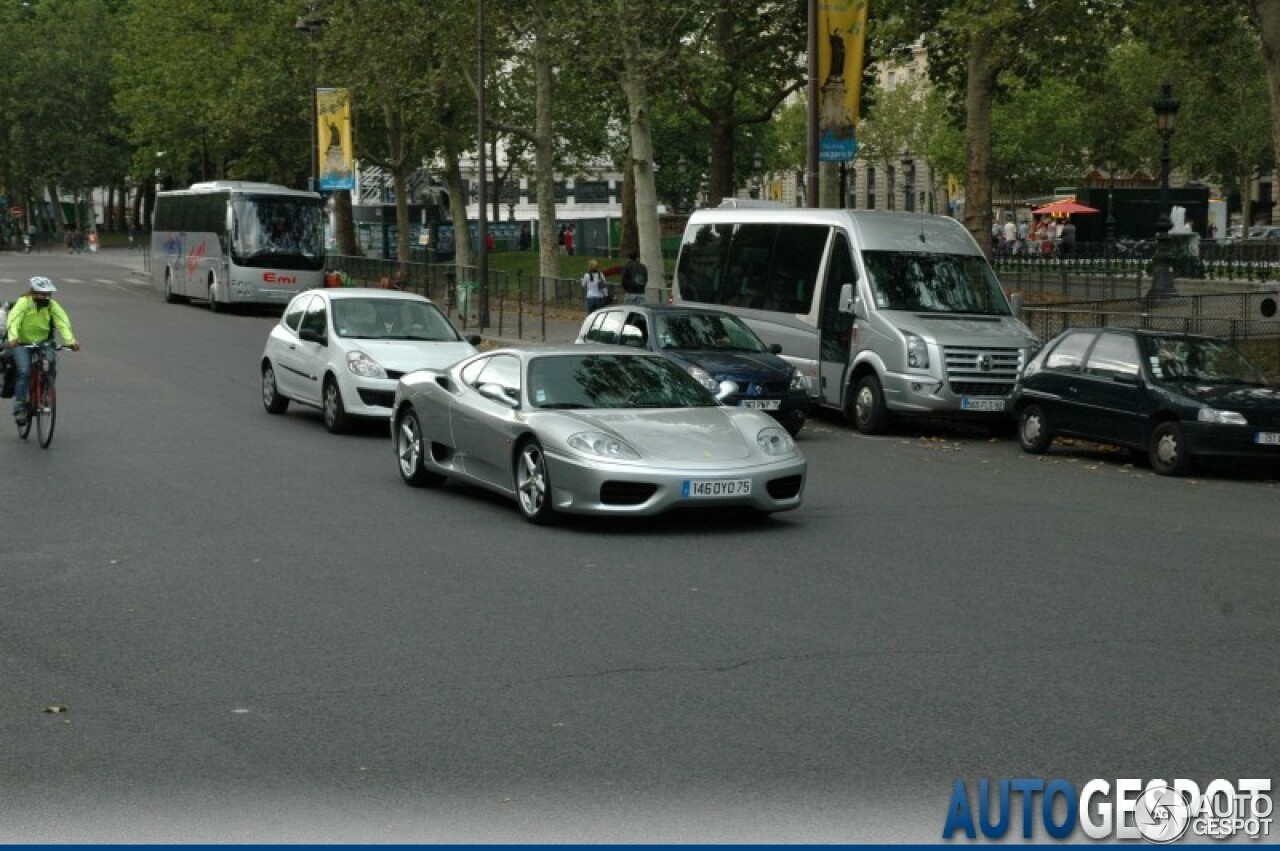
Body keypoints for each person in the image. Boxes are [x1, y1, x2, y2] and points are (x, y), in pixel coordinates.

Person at [6, 276, 80, 426]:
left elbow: (63, 323)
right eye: (42, 294)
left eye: (48, 294)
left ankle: (45, 392)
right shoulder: (24, 303)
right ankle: (20, 407)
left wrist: (71, 341)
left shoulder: (53, 306)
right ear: (33, 292)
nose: (45, 297)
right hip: (21, 343)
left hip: (44, 343)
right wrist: (13, 338)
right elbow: (13, 320)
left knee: (50, 365)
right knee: (24, 371)